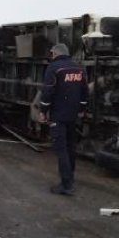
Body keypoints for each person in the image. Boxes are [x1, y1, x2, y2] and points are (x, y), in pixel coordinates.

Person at [39, 43, 89, 196]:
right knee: (70, 148)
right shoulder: (79, 68)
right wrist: (81, 110)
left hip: (58, 116)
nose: (51, 56)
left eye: (52, 53)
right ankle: (70, 178)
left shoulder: (54, 68)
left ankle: (66, 185)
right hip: (72, 115)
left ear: (56, 53)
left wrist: (43, 111)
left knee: (61, 150)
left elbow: (47, 92)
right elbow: (84, 92)